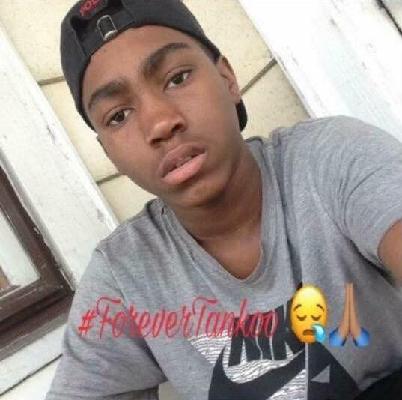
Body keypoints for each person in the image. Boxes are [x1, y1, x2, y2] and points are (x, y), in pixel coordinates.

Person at [45, 0, 402, 399]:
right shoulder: (125, 276)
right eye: (118, 116)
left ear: (227, 78)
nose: (160, 123)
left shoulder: (327, 158)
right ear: (109, 153)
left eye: (177, 78)